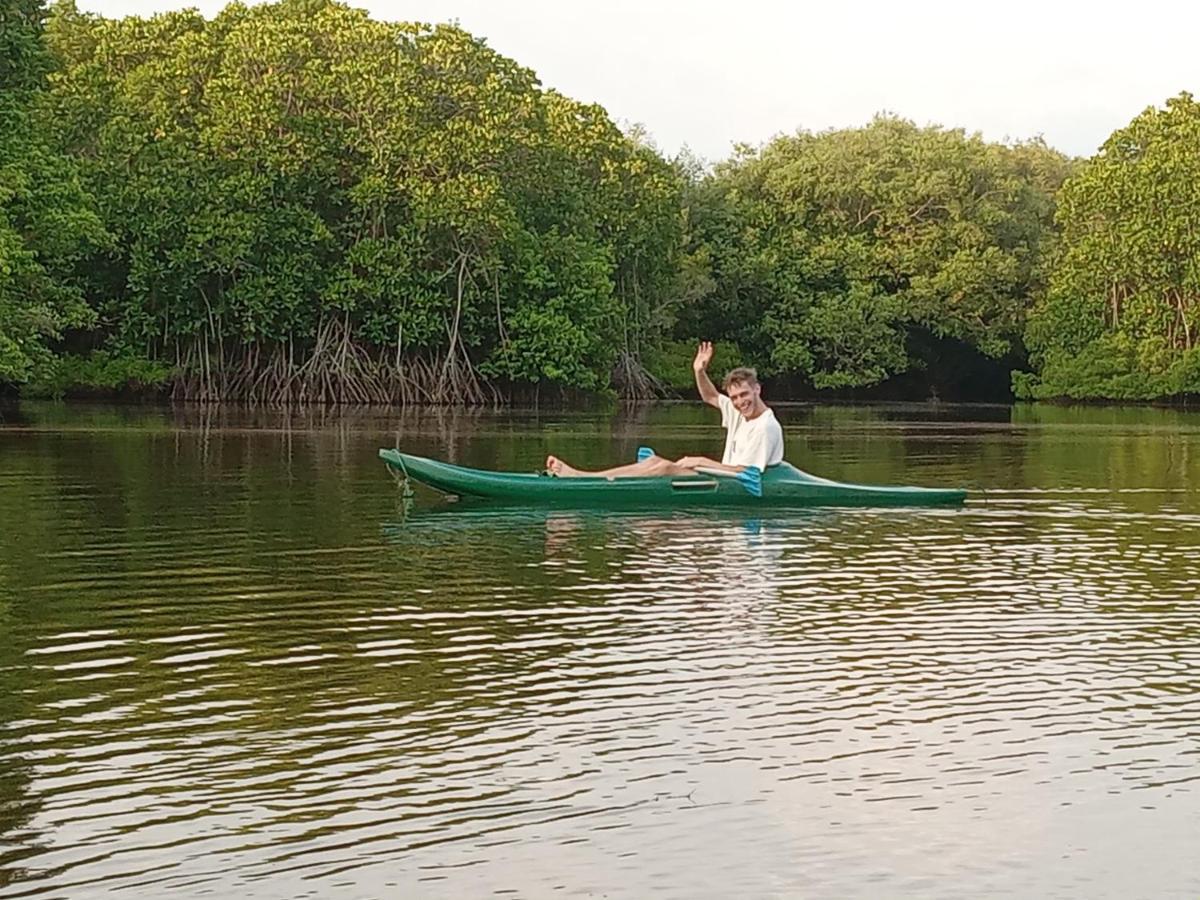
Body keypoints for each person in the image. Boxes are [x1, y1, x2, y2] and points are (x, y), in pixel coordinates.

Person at [545, 342, 784, 478]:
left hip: (734, 485)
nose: (740, 401)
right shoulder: (738, 411)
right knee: (654, 461)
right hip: (719, 478)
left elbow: (747, 473)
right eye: (734, 397)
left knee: (662, 467)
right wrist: (699, 371)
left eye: (744, 395)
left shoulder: (766, 426)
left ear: (757, 390)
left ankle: (582, 478)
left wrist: (699, 460)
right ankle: (589, 477)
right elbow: (711, 396)